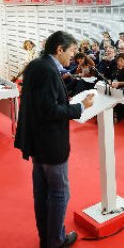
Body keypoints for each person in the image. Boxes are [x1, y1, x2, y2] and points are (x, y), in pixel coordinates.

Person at [14, 31, 95, 247]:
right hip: (50, 143)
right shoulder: (48, 71)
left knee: (42, 194)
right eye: (72, 51)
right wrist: (80, 107)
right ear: (59, 49)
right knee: (59, 193)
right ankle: (55, 241)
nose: (73, 56)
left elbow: (42, 102)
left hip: (36, 141)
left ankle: (48, 238)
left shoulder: (36, 65)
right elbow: (50, 110)